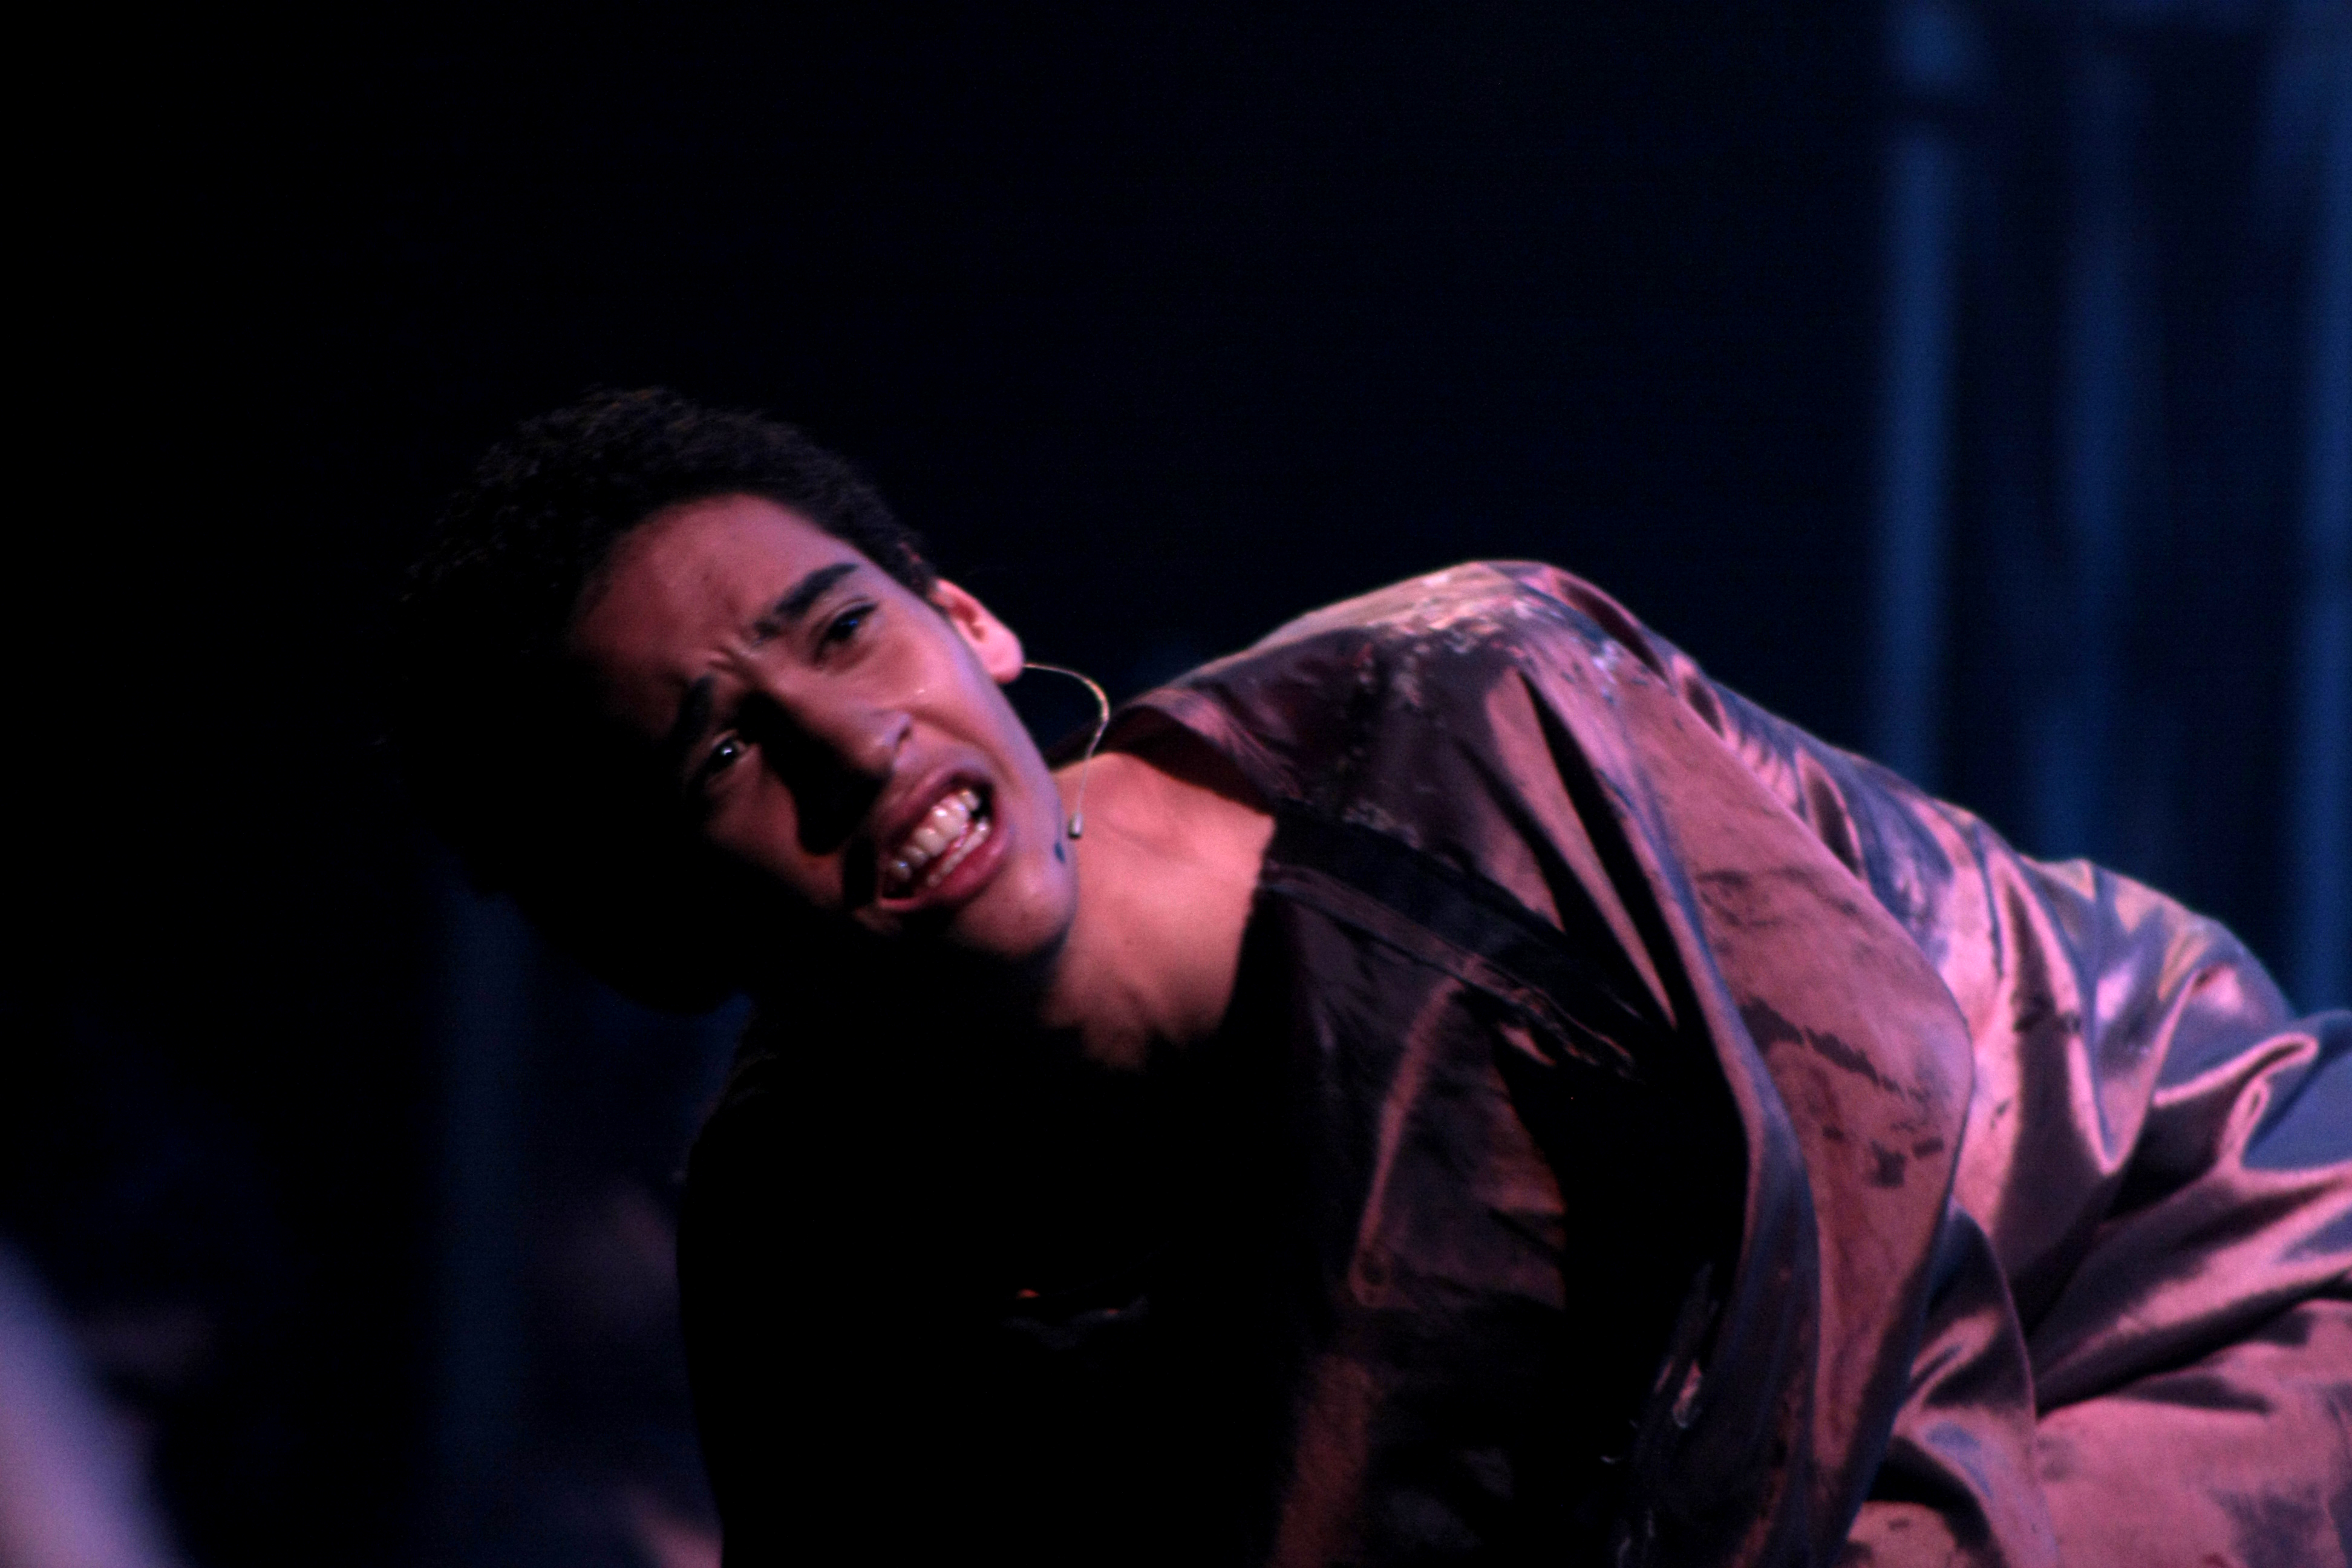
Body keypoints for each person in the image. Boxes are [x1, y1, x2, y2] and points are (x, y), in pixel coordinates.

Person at [394, 388, 2352, 1567]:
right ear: (650, 925)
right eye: (720, 757)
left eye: (844, 630)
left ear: (964, 616)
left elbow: (1865, 1277)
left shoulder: (1478, 721)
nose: (852, 747)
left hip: (2175, 1265)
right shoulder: (803, 1240)